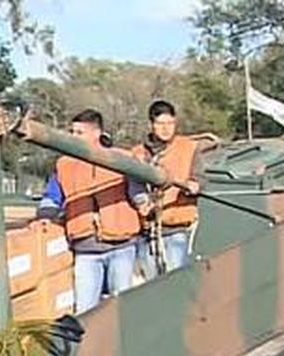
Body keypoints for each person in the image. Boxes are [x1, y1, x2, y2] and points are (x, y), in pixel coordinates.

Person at [38, 109, 147, 312]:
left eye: (79, 133)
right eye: (72, 132)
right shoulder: (64, 165)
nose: (73, 137)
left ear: (96, 133)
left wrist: (143, 202)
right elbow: (52, 196)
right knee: (85, 311)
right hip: (85, 249)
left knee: (122, 308)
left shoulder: (121, 158)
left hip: (121, 247)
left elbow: (137, 191)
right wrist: (45, 216)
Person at [133, 100, 202, 278]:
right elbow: (133, 184)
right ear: (151, 125)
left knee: (176, 283)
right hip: (148, 231)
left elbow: (199, 178)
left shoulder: (188, 147)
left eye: (170, 123)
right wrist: (142, 201)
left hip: (177, 227)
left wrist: (194, 185)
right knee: (151, 286)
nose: (166, 128)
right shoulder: (139, 153)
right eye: (161, 124)